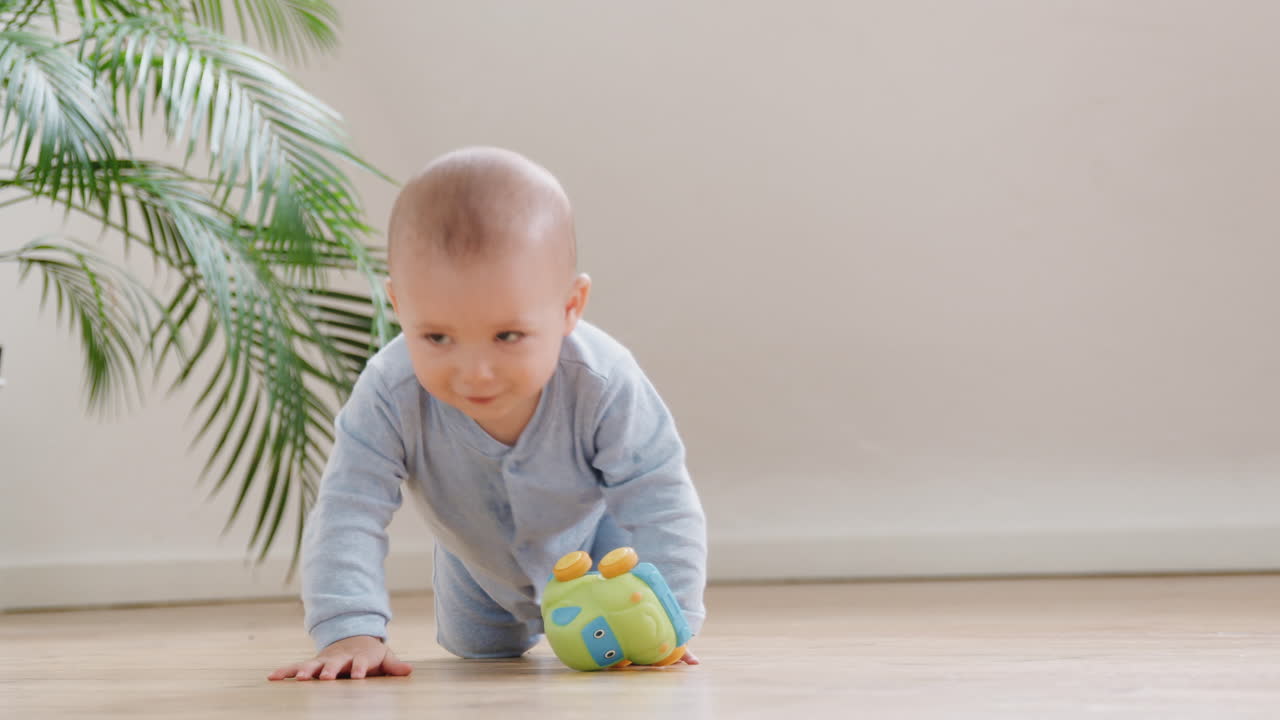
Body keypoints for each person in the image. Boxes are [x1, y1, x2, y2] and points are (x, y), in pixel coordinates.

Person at [268, 147, 707, 681]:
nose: (475, 372)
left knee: (617, 644)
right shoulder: (390, 391)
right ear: (399, 307)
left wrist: (671, 617)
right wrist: (349, 629)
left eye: (508, 336)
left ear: (570, 307)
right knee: (480, 652)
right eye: (436, 337)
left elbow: (659, 496)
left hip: (601, 549)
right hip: (474, 566)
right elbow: (347, 509)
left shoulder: (603, 381)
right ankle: (487, 616)